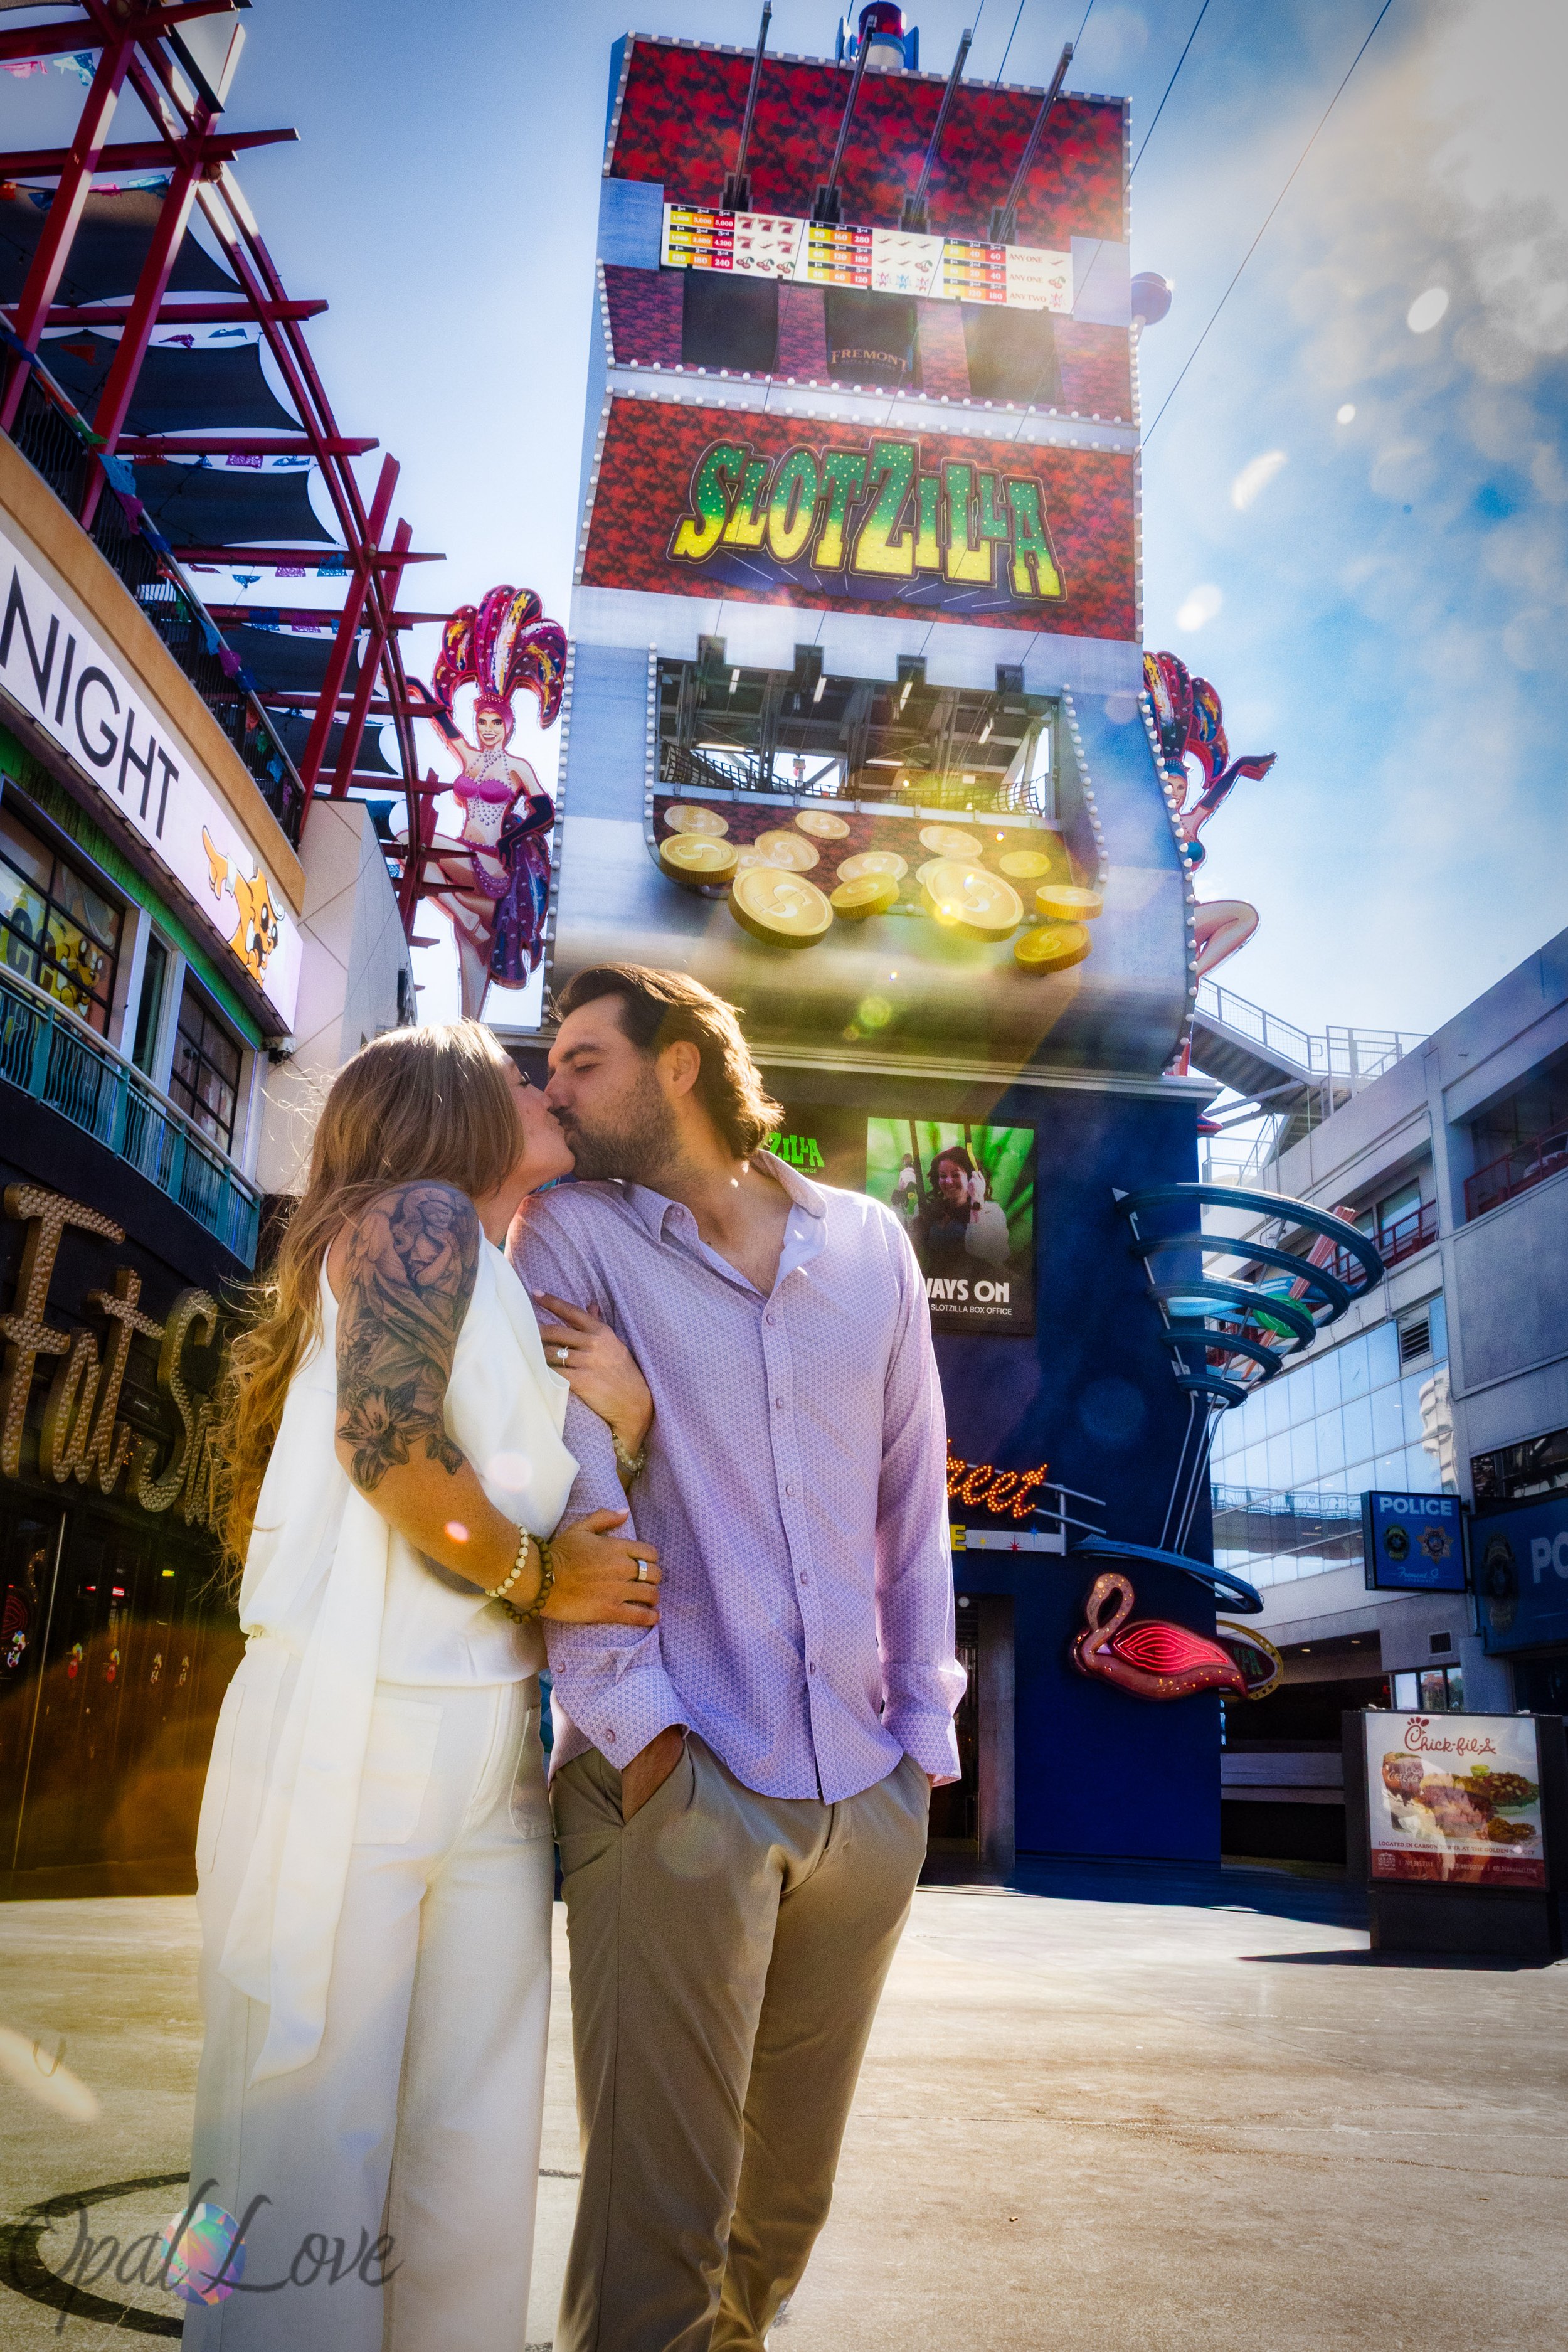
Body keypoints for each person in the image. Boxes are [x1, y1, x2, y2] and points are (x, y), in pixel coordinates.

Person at [509, 962, 965, 2352]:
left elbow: (911, 1497)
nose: (555, 1087)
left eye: (583, 1059)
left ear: (681, 1066)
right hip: (679, 1774)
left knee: (783, 2208)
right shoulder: (570, 1240)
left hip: (864, 1787)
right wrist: (647, 1743)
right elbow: (574, 1506)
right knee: (660, 2220)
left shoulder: (873, 1243)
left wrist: (922, 1747)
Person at [189, 1021, 659, 2351]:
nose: (540, 1085)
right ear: (449, 1108)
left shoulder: (495, 1272)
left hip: (486, 1743)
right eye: (515, 1073)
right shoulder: (422, 1217)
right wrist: (536, 1574)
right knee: (305, 2130)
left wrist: (621, 1419)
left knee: (471, 2137)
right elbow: (386, 1447)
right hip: (356, 1718)